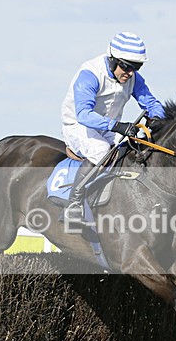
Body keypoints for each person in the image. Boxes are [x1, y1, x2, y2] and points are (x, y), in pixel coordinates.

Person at [60, 31, 166, 225]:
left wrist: (158, 117)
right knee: (100, 150)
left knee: (133, 148)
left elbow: (151, 102)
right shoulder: (90, 74)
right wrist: (117, 126)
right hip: (78, 125)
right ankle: (73, 203)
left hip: (108, 128)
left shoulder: (133, 77)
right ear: (112, 59)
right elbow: (83, 114)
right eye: (126, 66)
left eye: (137, 67)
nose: (131, 73)